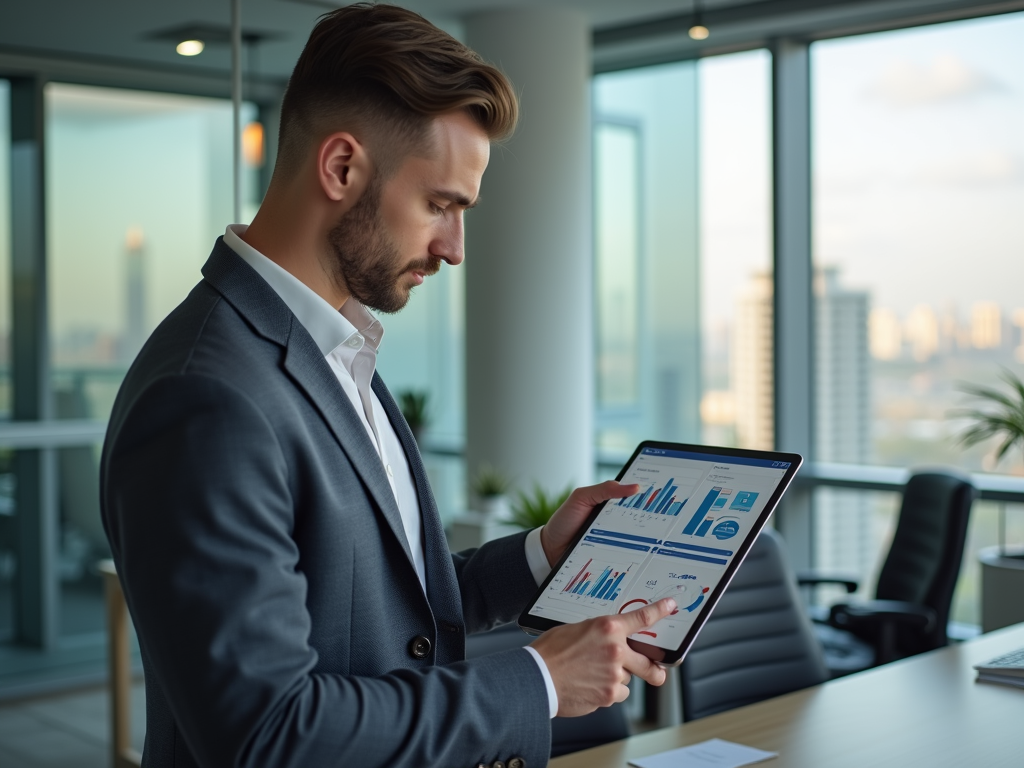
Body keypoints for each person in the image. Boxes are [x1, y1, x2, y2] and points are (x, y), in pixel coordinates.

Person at [100, 5, 676, 767]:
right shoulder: (206, 397)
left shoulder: (336, 350)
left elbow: (384, 617)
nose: (454, 247)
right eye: (440, 205)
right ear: (342, 167)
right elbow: (266, 733)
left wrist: (541, 556)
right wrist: (540, 680)